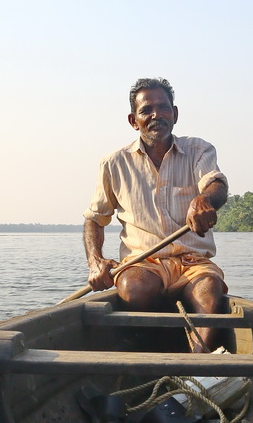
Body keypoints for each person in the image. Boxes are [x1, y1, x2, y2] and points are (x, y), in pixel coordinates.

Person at [83, 77, 228, 352]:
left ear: (174, 114)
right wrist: (95, 261)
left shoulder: (199, 149)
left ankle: (197, 371)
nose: (155, 115)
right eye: (146, 110)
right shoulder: (114, 163)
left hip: (193, 262)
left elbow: (216, 183)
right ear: (133, 120)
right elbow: (94, 218)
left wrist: (204, 200)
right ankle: (151, 352)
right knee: (133, 289)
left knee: (209, 292)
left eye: (163, 108)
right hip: (144, 262)